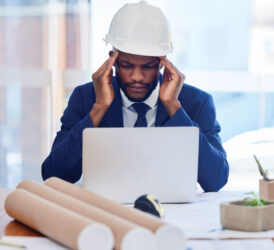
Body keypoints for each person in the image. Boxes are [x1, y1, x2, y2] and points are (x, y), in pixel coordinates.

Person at [42, 1, 229, 192]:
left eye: (148, 66)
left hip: (174, 211)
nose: (137, 77)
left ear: (162, 63)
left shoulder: (196, 102)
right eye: (127, 65)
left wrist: (174, 108)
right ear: (112, 60)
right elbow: (53, 175)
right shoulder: (86, 97)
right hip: (106, 210)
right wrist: (99, 108)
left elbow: (216, 179)